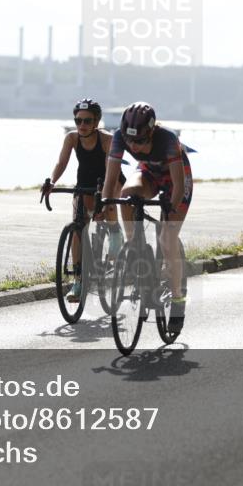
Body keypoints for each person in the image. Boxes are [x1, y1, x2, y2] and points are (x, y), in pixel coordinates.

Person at [101, 102, 192, 331]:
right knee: (126, 194)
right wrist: (104, 203)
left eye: (140, 141)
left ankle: (178, 300)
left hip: (176, 179)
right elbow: (110, 178)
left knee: (166, 237)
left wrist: (170, 211)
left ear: (151, 132)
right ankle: (134, 245)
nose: (134, 145)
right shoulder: (120, 137)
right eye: (130, 140)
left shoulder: (168, 140)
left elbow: (179, 186)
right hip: (149, 173)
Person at [42, 98, 128, 303]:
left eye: (87, 121)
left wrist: (104, 200)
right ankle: (78, 281)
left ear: (96, 122)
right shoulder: (71, 138)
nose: (82, 125)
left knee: (107, 205)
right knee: (77, 229)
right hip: (85, 183)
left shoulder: (108, 140)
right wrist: (52, 181)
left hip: (110, 180)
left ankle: (115, 231)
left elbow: (111, 173)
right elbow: (61, 162)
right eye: (78, 120)